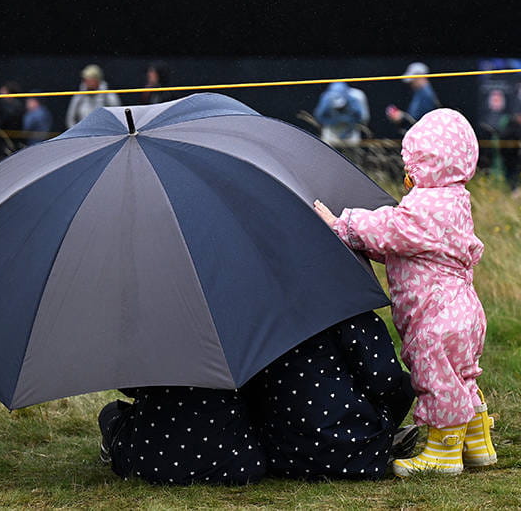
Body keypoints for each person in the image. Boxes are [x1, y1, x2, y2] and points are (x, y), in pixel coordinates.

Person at [313, 109, 496, 477]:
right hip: (461, 311)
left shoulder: (425, 207)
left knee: (436, 378)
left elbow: (393, 228)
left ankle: (443, 454)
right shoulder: (454, 199)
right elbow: (409, 245)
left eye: (412, 160)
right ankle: (477, 444)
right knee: (460, 376)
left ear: (428, 162)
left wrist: (343, 224)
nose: (407, 169)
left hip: (437, 315)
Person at [242, 312, 415, 481]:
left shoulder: (251, 322)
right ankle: (377, 442)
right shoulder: (345, 308)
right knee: (404, 384)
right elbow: (384, 377)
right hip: (354, 449)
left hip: (282, 454)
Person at [98, 387, 266, 485]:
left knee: (110, 412)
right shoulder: (226, 340)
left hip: (152, 464)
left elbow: (129, 388)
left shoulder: (147, 340)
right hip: (234, 463)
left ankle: (110, 447)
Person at [314, 82, 370, 149]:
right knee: (327, 151)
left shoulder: (355, 98)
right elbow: (319, 116)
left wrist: (349, 124)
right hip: (331, 131)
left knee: (351, 154)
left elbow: (362, 118)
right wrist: (331, 122)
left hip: (350, 132)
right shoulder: (326, 98)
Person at [386, 62, 439, 132]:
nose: (411, 84)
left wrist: (402, 116)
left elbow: (421, 121)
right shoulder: (421, 93)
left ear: (419, 76)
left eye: (412, 81)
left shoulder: (425, 94)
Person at [65, 64, 121, 128]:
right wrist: (76, 132)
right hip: (83, 133)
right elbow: (70, 118)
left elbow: (118, 117)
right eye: (86, 79)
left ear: (98, 80)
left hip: (104, 133)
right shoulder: (78, 97)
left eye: (91, 79)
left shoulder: (109, 96)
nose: (88, 83)